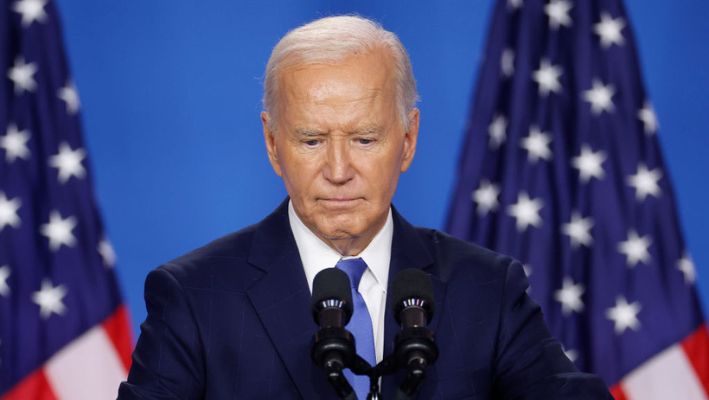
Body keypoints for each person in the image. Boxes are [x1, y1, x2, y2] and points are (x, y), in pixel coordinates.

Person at [118, 15, 612, 399]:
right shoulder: (197, 297)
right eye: (311, 140)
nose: (337, 169)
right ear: (272, 145)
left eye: (364, 138)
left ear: (408, 139)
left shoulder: (487, 291)